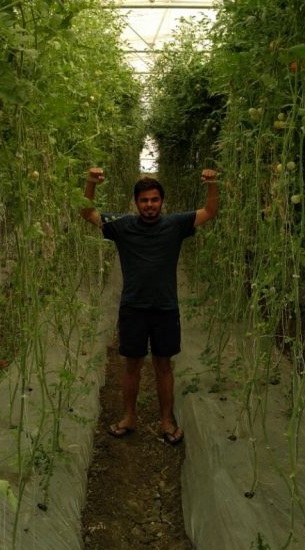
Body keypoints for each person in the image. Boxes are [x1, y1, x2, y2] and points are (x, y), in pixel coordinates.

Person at [80, 167, 218, 445]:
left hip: (166, 308)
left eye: (154, 199)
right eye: (144, 200)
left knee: (163, 365)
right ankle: (129, 417)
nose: (149, 205)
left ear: (162, 201)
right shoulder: (122, 225)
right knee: (132, 365)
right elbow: (87, 212)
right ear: (136, 203)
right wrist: (90, 183)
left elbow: (209, 211)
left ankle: (166, 420)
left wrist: (212, 184)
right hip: (133, 308)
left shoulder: (176, 224)